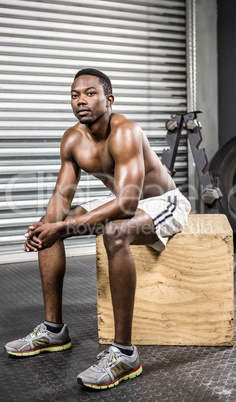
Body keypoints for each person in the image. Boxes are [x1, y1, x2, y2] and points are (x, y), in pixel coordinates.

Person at [5, 68, 191, 390]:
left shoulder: (125, 132)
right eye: (75, 95)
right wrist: (47, 227)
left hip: (164, 203)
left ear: (109, 99)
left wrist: (65, 225)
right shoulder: (73, 139)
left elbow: (127, 205)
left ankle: (124, 353)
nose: (81, 101)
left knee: (115, 231)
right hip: (122, 201)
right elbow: (62, 197)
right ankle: (53, 330)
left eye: (90, 93)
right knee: (51, 225)